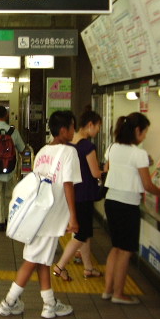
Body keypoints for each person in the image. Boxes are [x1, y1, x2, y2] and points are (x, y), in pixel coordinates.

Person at [0, 110, 81, 319]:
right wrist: (73, 217)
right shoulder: (70, 152)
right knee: (32, 260)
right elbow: (68, 185)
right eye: (72, 127)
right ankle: (8, 301)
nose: (74, 131)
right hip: (51, 217)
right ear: (63, 130)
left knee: (42, 260)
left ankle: (49, 304)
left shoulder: (42, 151)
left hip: (36, 214)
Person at [102, 112, 160, 304]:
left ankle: (108, 290)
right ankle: (118, 294)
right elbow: (148, 185)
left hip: (111, 202)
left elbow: (109, 169)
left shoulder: (113, 148)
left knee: (116, 248)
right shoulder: (138, 153)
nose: (146, 135)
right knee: (125, 251)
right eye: (146, 131)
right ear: (137, 130)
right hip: (127, 205)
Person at [53, 109, 103, 281]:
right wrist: (107, 169)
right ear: (90, 125)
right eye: (97, 127)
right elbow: (95, 173)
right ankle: (60, 266)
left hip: (71, 194)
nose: (97, 131)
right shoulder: (87, 147)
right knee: (81, 234)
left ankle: (88, 268)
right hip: (85, 195)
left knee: (85, 232)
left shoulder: (68, 145)